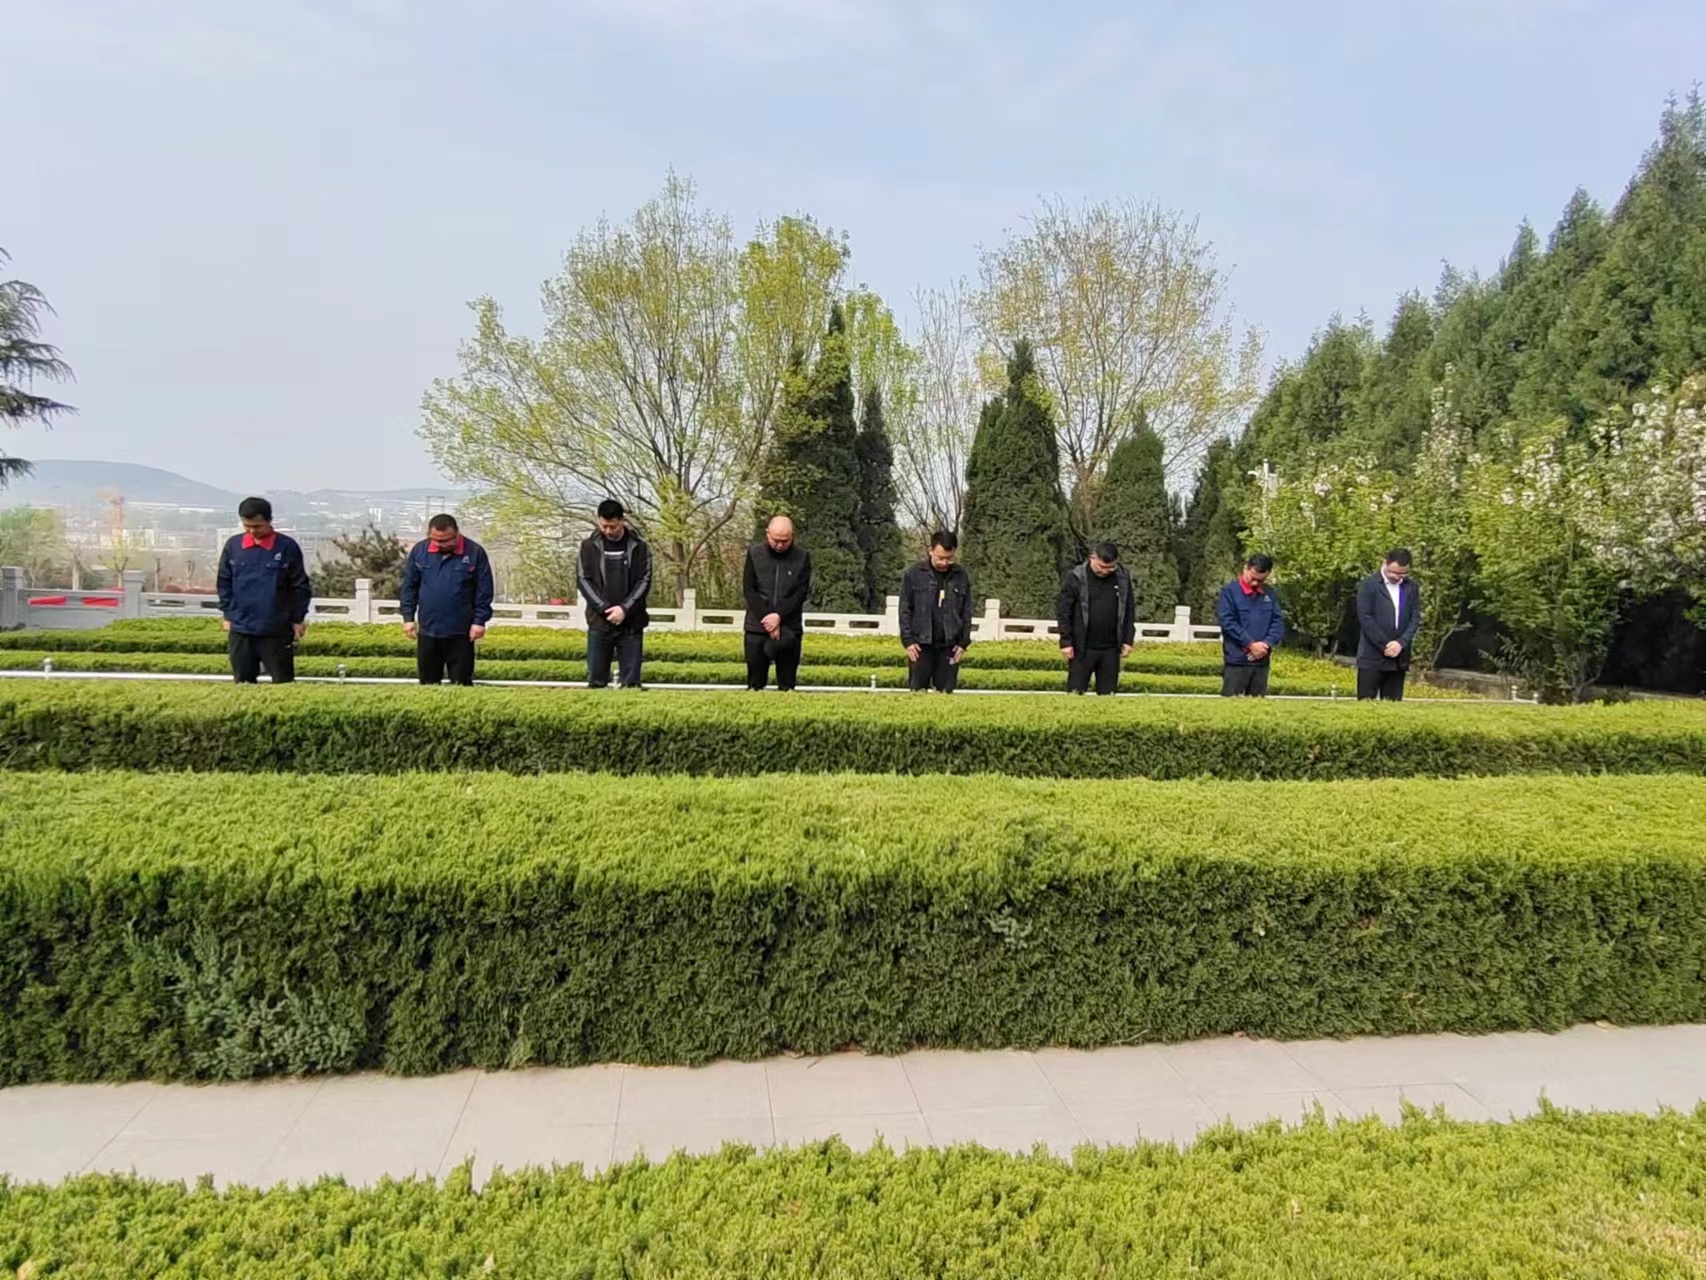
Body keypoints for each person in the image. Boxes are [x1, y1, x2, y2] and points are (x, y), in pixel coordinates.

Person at [215, 496, 312, 684]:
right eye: (247, 526)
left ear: (269, 521)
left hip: (276, 628)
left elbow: (300, 586)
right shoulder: (233, 546)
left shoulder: (286, 547)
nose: (252, 531)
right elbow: (224, 582)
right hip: (241, 628)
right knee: (243, 683)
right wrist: (228, 614)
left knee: (283, 683)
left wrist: (298, 619)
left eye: (257, 526)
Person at [399, 513, 494, 686]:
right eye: (436, 540)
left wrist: (479, 621)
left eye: (446, 540)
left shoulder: (474, 552)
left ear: (456, 533)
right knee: (428, 684)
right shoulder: (420, 551)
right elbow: (410, 586)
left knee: (461, 684)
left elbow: (484, 591)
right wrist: (408, 618)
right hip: (428, 629)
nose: (441, 544)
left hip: (462, 632)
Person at [577, 499, 652, 688]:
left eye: (613, 526)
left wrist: (625, 609)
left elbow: (644, 580)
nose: (608, 531)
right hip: (599, 621)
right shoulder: (588, 546)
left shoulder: (639, 546)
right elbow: (583, 579)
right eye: (604, 526)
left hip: (631, 623)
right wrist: (604, 608)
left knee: (631, 684)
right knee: (596, 682)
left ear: (622, 521)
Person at [742, 515, 812, 691]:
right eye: (776, 540)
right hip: (757, 626)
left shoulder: (802, 557)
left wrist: (778, 616)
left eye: (785, 541)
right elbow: (749, 589)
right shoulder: (754, 554)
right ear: (767, 534)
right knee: (755, 686)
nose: (780, 545)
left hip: (789, 628)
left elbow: (801, 593)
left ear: (792, 536)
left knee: (787, 686)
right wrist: (768, 617)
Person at [1056, 541, 1136, 695]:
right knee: (1075, 693)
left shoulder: (1122, 577)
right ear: (1092, 557)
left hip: (1111, 648)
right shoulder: (1076, 577)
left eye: (1111, 567)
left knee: (1108, 696)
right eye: (1102, 567)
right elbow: (1064, 611)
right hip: (1082, 648)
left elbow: (1129, 608)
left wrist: (1128, 639)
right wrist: (1066, 641)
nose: (1106, 571)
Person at [898, 530, 973, 693]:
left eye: (949, 558)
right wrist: (908, 640)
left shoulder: (960, 575)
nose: (944, 563)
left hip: (950, 644)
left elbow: (966, 611)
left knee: (945, 694)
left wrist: (963, 642)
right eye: (940, 558)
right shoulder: (914, 574)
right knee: (918, 693)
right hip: (920, 644)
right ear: (931, 551)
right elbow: (905, 609)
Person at [1356, 548, 1421, 701]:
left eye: (1403, 574)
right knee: (1366, 704)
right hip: (1372, 656)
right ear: (1385, 563)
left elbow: (1415, 618)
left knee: (1393, 704)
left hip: (1399, 659)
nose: (1397, 577)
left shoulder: (1411, 587)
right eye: (1394, 572)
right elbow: (1366, 618)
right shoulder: (1369, 585)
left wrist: (1400, 643)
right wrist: (1386, 644)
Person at [1216, 553, 1285, 697]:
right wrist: (1250, 645)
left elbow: (1277, 622)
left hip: (1261, 662)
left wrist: (1266, 644)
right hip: (1237, 661)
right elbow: (1228, 622)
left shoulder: (1270, 594)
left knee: (1257, 705)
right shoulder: (1229, 592)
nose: (1255, 583)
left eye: (1260, 580)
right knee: (1231, 705)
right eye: (1253, 578)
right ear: (1245, 569)